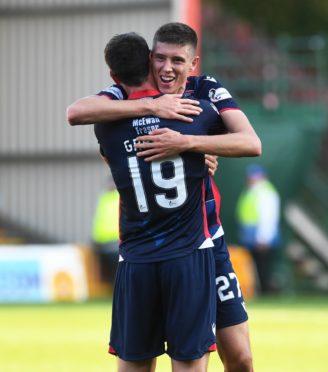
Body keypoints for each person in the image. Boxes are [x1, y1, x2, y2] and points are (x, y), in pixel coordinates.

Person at [67, 22, 261, 372]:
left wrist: (190, 144)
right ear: (148, 59)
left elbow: (250, 143)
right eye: (159, 59)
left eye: (176, 60)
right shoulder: (123, 98)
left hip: (207, 239)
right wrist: (154, 107)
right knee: (183, 357)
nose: (166, 68)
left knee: (240, 356)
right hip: (176, 246)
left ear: (193, 63)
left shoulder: (206, 93)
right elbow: (78, 112)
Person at [236, 164, 280, 294]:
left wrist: (263, 238)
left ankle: (265, 292)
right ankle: (259, 291)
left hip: (260, 238)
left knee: (262, 267)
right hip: (250, 237)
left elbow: (268, 217)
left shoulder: (265, 192)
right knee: (254, 267)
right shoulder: (252, 191)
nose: (251, 179)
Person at [91, 186, 120, 284]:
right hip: (102, 241)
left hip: (115, 239)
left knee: (116, 268)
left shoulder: (119, 196)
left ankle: (116, 288)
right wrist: (95, 237)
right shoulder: (104, 198)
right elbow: (100, 219)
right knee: (106, 271)